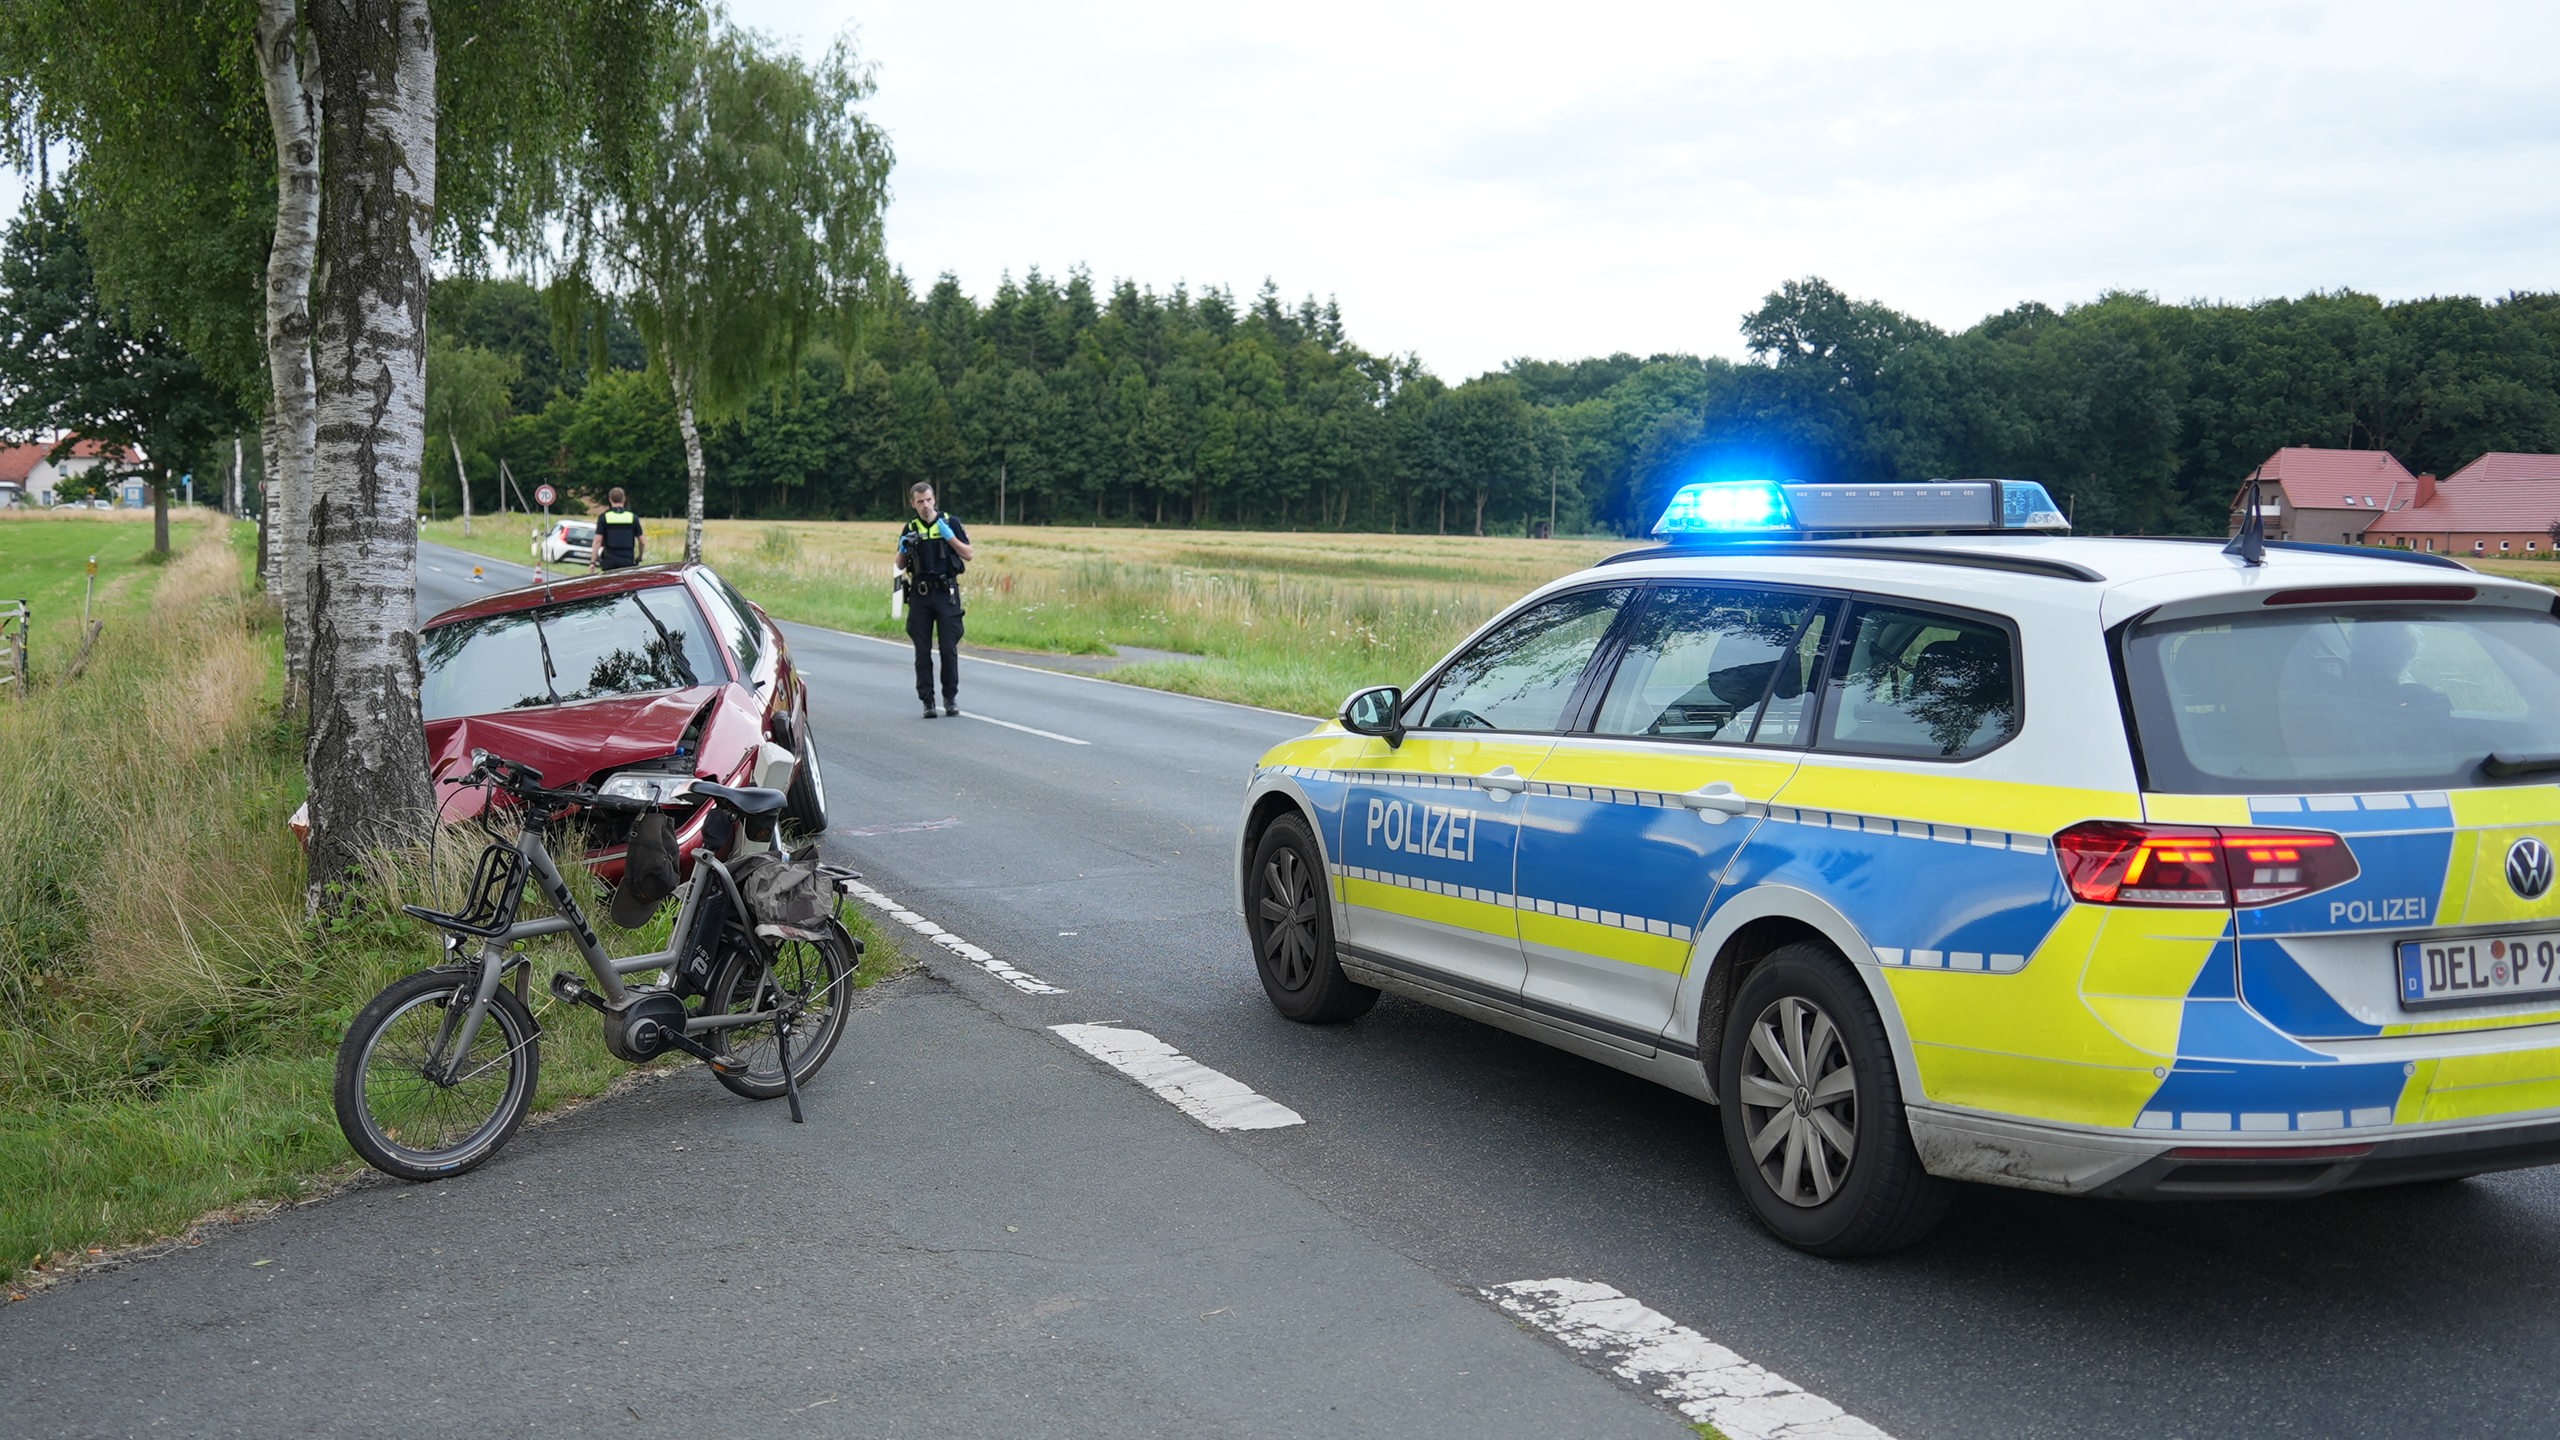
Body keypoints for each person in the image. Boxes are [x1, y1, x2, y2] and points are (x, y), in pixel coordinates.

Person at [898, 481, 973, 718]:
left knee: (948, 648)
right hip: (920, 595)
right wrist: (903, 548)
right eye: (920, 501)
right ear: (913, 503)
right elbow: (899, 565)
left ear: (935, 499)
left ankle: (950, 698)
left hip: (946, 593)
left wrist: (949, 537)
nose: (925, 505)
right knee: (922, 650)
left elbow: (968, 554)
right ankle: (927, 701)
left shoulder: (951, 523)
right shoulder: (910, 527)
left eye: (928, 500)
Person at [592, 488, 646, 572]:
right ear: (624, 499)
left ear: (610, 499)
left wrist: (593, 562)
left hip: (609, 559)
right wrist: (640, 556)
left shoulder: (604, 517)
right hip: (627, 559)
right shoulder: (632, 517)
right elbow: (642, 541)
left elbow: (597, 541)